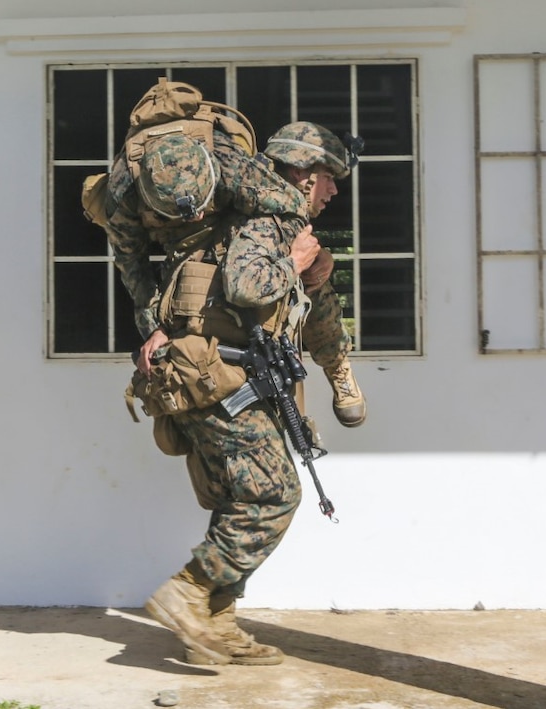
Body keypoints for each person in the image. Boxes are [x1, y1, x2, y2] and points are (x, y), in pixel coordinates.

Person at [102, 81, 331, 667]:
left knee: (237, 495)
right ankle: (188, 592)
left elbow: (287, 211)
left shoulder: (237, 172)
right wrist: (153, 321)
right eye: (185, 214)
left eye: (203, 207)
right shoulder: (124, 192)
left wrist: (296, 256)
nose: (198, 217)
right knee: (273, 495)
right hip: (205, 365)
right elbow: (131, 263)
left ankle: (215, 623)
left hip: (225, 353)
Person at [263, 122, 366, 427]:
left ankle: (337, 365)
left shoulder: (287, 210)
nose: (334, 190)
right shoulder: (256, 206)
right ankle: (337, 364)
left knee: (315, 268)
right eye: (328, 178)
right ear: (299, 172)